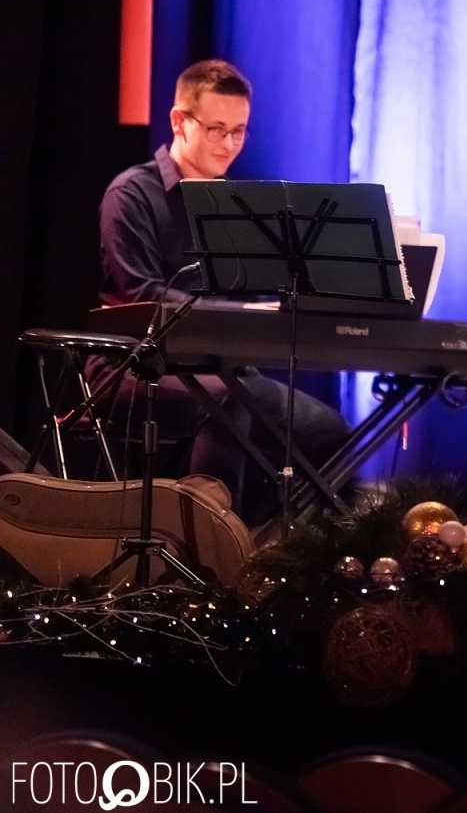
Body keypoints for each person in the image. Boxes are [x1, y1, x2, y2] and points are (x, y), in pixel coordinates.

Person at [95, 59, 349, 522]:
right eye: (216, 129)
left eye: (239, 131)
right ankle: (205, 550)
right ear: (179, 121)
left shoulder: (237, 207)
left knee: (330, 431)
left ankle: (258, 545)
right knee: (229, 401)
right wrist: (238, 311)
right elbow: (140, 295)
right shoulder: (131, 194)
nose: (229, 144)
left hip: (222, 370)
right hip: (132, 367)